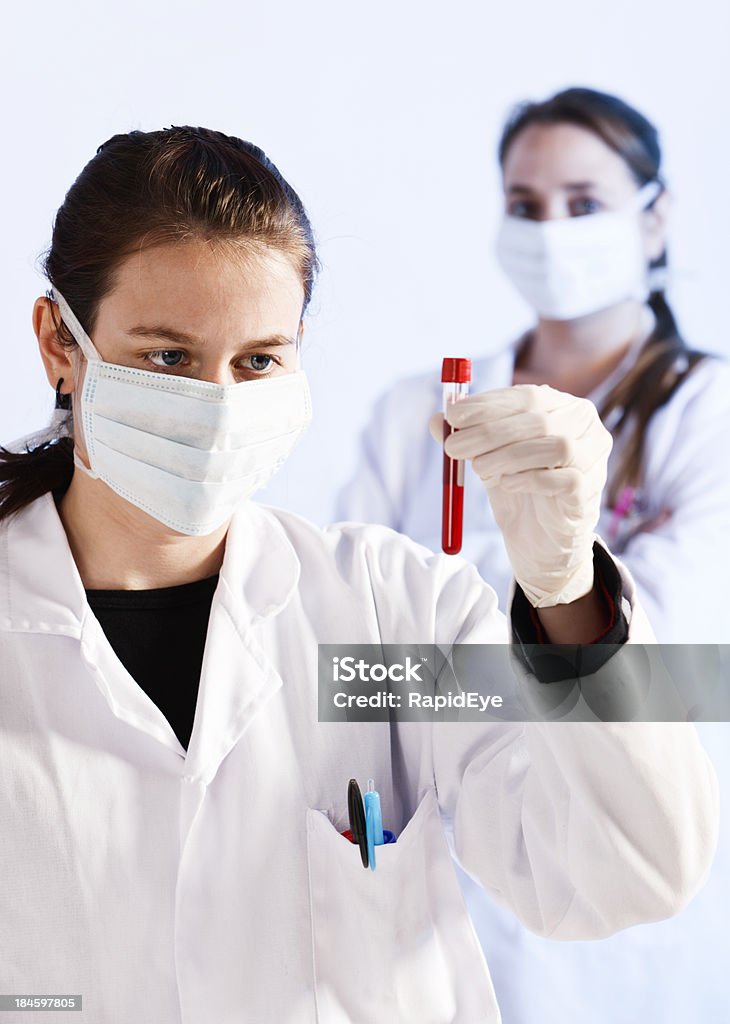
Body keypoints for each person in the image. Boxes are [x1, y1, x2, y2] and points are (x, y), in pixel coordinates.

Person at [0, 126, 718, 1024]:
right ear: (59, 344)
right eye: (168, 358)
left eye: (258, 359)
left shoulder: (383, 618)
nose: (220, 406)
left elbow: (622, 874)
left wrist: (568, 590)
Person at [337, 88, 730, 1021]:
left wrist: (450, 655)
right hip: (441, 869)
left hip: (628, 879)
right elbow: (350, 661)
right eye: (525, 205)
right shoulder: (418, 412)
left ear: (655, 213)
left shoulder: (707, 417)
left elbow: (680, 672)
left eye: (584, 202)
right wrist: (551, 629)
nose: (552, 229)